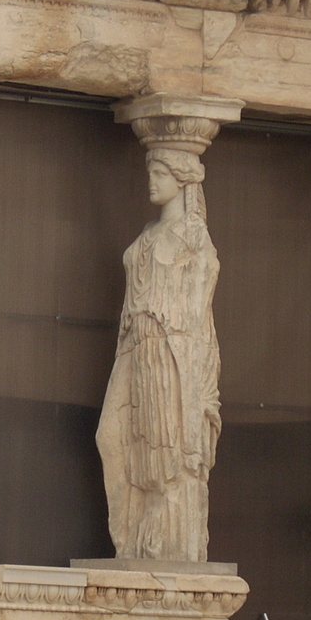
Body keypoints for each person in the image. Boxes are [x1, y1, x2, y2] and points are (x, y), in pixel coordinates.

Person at [96, 149, 221, 562]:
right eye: (150, 171)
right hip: (135, 344)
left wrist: (194, 378)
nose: (152, 180)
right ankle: (130, 541)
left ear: (183, 180)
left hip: (172, 350)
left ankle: (163, 546)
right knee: (110, 437)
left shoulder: (193, 236)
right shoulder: (148, 233)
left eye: (161, 172)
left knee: (168, 451)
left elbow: (200, 308)